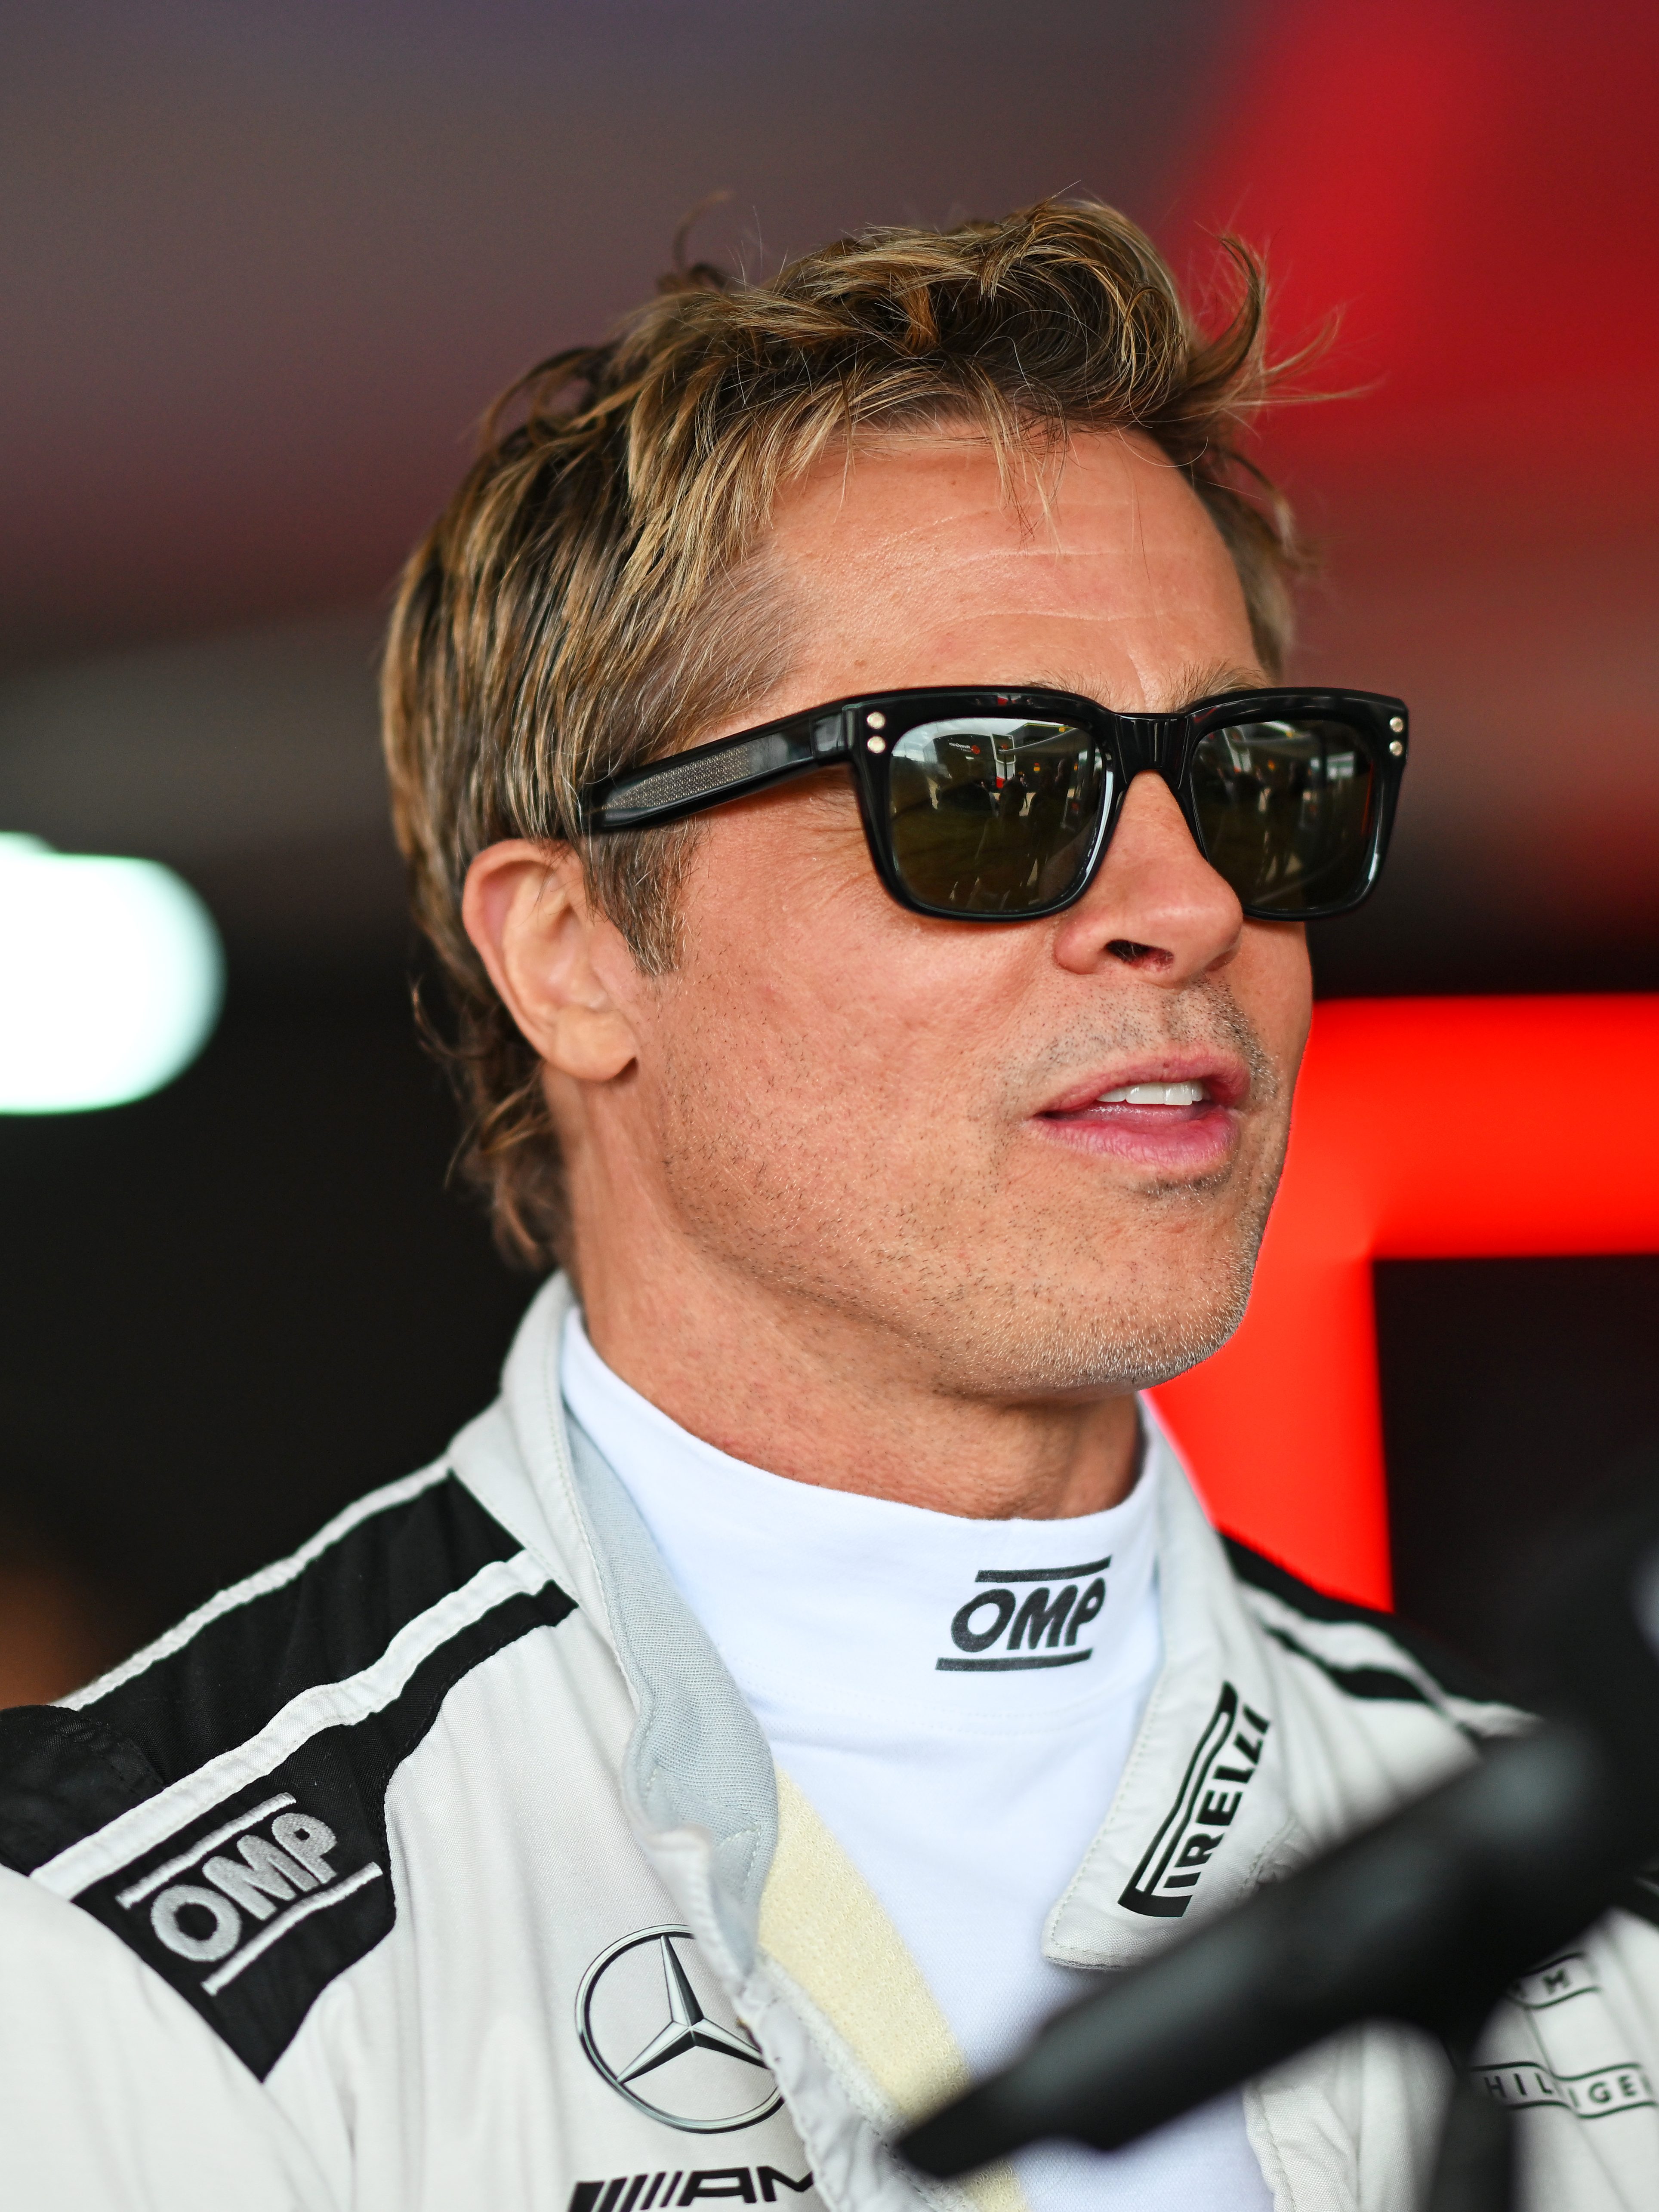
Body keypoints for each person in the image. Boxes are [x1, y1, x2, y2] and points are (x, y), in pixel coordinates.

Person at [2, 200, 1654, 2212]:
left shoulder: (1600, 1917)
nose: (1194, 902)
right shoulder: (104, 1969)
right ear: (574, 951)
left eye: (1253, 780)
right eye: (982, 787)